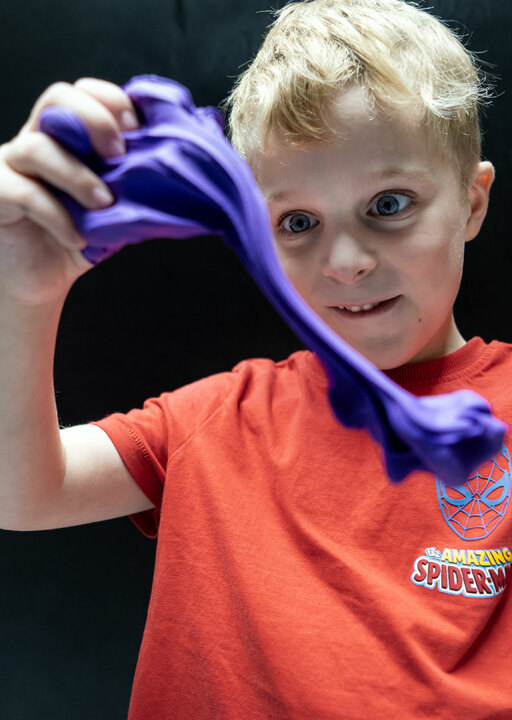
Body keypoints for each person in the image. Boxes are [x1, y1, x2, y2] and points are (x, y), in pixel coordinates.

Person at [0, 0, 509, 717]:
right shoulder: (218, 419)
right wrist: (22, 290)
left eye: (389, 204)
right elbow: (19, 492)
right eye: (297, 223)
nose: (346, 261)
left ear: (472, 202)